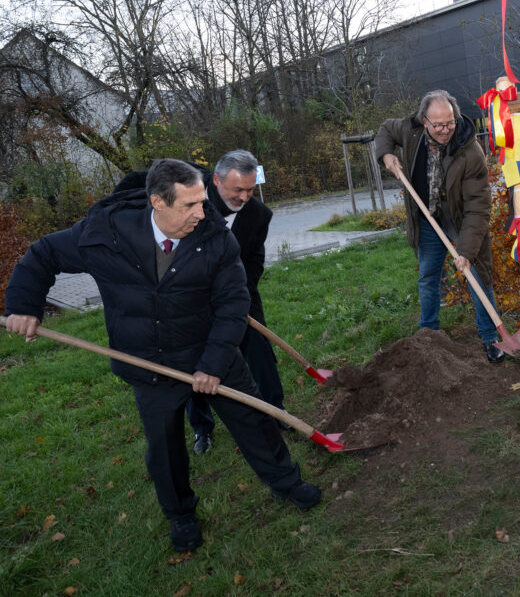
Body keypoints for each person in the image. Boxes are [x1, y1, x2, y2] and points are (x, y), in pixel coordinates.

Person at [3, 159, 320, 554]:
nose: (201, 213)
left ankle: (286, 483)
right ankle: (181, 515)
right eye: (189, 205)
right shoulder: (108, 234)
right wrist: (22, 305)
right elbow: (42, 254)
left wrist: (212, 365)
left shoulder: (214, 237)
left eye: (202, 202)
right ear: (157, 201)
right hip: (148, 362)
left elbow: (234, 304)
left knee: (254, 421)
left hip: (208, 349)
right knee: (165, 449)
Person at [374, 89, 504, 363]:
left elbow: (478, 207)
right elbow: (386, 130)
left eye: (450, 123)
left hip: (460, 219)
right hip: (427, 219)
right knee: (429, 278)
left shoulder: (470, 152)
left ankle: (490, 336)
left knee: (477, 275)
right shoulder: (410, 132)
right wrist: (386, 155)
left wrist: (466, 252)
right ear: (424, 121)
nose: (446, 130)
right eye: (439, 125)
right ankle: (428, 335)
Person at [186, 150, 287, 456]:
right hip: (190, 295)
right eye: (237, 190)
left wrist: (238, 295)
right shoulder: (189, 196)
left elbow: (254, 259)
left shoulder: (258, 215)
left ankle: (275, 410)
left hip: (238, 289)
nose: (244, 197)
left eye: (250, 190)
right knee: (195, 361)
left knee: (258, 347)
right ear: (216, 181)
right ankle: (202, 428)